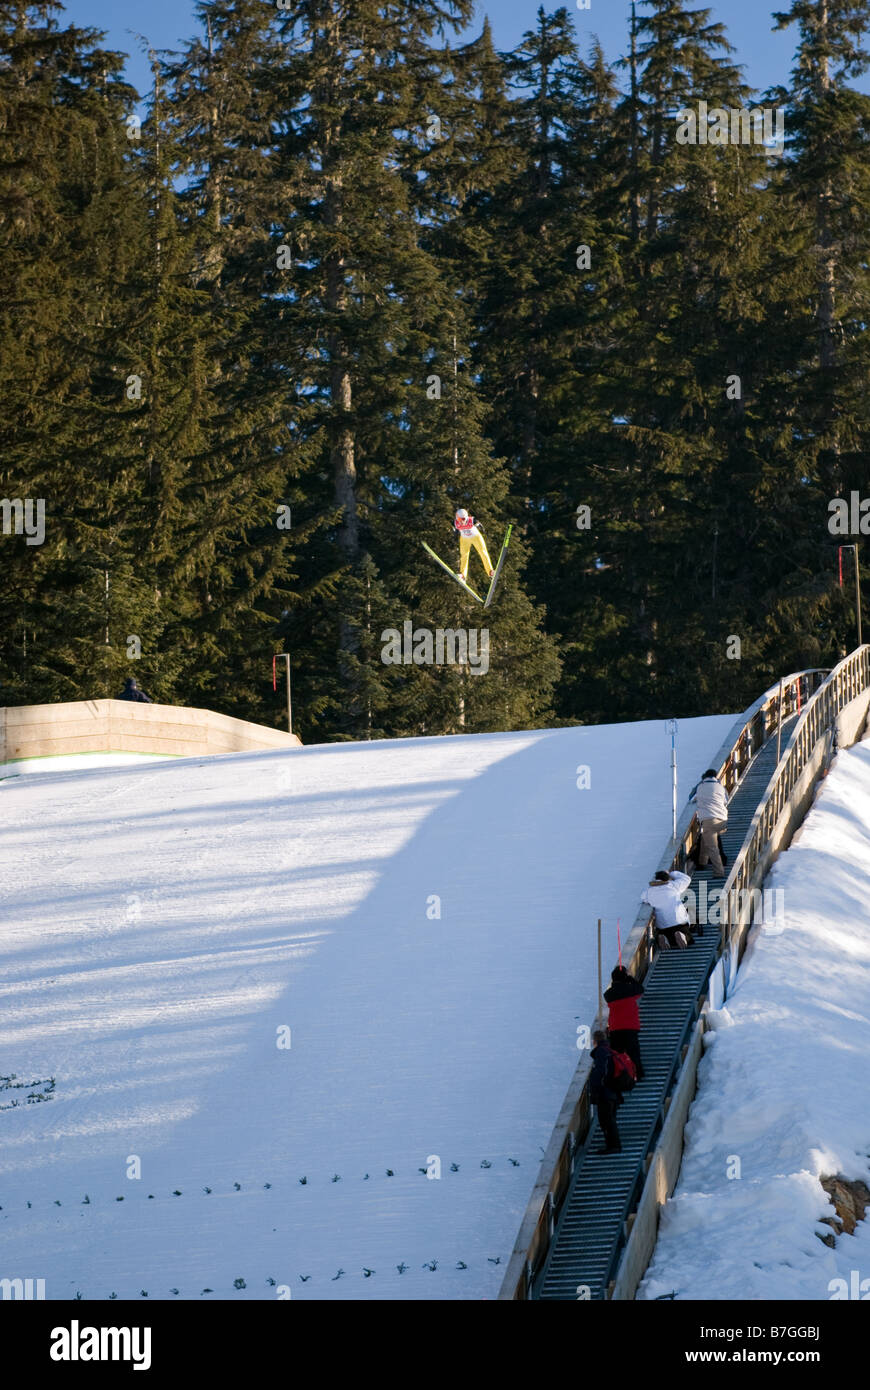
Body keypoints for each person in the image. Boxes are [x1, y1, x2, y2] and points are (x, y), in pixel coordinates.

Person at [604, 966, 645, 1080]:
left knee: (617, 1054)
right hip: (630, 1026)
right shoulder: (630, 989)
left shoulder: (609, 994)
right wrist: (630, 979)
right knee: (633, 1052)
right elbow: (640, 989)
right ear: (624, 977)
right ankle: (638, 1074)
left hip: (615, 1028)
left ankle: (619, 1076)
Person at [690, 768, 729, 877]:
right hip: (722, 820)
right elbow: (726, 800)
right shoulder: (721, 787)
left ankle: (719, 872)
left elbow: (690, 798)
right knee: (705, 838)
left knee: (713, 848)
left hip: (708, 820)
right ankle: (702, 862)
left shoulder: (700, 786)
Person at [642, 868, 693, 949]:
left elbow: (643, 898)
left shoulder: (649, 892)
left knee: (667, 933)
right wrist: (672, 873)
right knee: (689, 938)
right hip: (679, 921)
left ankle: (664, 938)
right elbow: (687, 879)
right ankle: (682, 935)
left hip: (663, 925)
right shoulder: (673, 886)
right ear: (667, 878)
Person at [589, 1030, 622, 1153]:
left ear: (595, 1041)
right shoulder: (610, 1050)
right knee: (610, 1119)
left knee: (606, 1120)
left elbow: (600, 1072)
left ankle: (613, 1146)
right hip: (613, 1092)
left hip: (605, 1092)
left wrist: (596, 1089)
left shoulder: (601, 1052)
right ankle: (613, 1145)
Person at [453, 508, 494, 584]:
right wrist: (455, 537)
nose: (460, 521)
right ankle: (463, 576)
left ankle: (490, 572)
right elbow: (456, 530)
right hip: (464, 539)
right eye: (458, 518)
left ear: (465, 517)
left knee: (483, 552)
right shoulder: (456, 523)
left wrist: (483, 530)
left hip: (476, 537)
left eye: (461, 519)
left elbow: (480, 525)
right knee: (464, 556)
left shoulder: (471, 520)